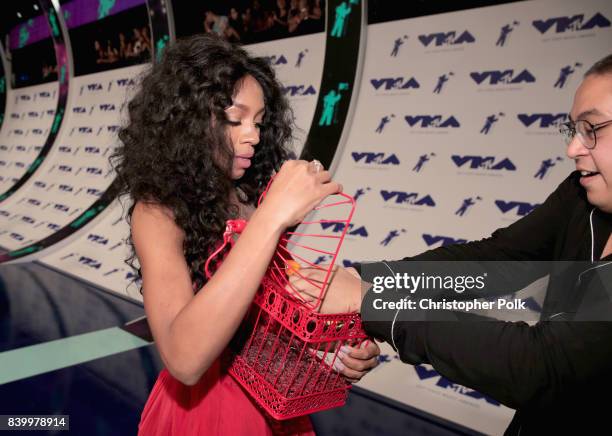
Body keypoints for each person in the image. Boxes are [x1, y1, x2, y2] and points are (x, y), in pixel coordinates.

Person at [291, 54, 612, 435]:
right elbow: (492, 262)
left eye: (592, 128)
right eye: (573, 130)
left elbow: (546, 366)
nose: (572, 148)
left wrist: (368, 300)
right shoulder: (580, 198)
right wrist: (355, 282)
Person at [111, 34, 378, 435]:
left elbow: (263, 324)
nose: (252, 134)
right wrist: (270, 220)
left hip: (271, 403)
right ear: (189, 119)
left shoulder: (251, 197)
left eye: (259, 120)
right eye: (236, 119)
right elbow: (184, 359)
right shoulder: (157, 213)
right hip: (203, 414)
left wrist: (328, 350)